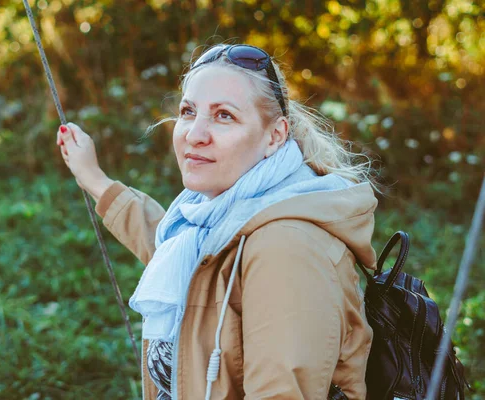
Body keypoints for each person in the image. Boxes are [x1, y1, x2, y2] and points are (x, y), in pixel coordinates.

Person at [56, 43, 380, 400]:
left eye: (224, 115)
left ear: (275, 135)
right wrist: (94, 178)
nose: (195, 134)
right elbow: (191, 264)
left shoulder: (286, 249)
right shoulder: (216, 216)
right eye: (188, 111)